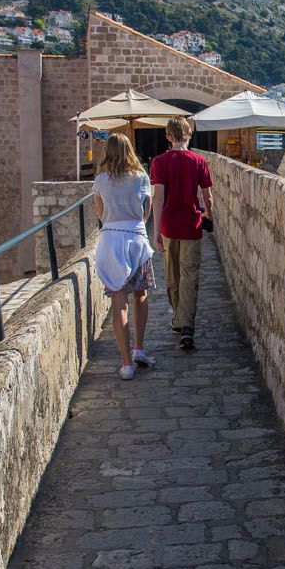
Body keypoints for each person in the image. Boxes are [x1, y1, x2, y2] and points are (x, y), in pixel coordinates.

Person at [92, 133, 156, 380]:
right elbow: (146, 211)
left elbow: (99, 213)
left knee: (119, 302)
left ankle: (126, 364)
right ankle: (139, 347)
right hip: (136, 238)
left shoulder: (101, 180)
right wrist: (137, 224)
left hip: (111, 241)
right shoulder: (141, 177)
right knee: (141, 294)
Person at [151, 116, 213, 351]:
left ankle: (179, 320)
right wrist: (208, 215)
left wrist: (156, 231)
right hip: (191, 226)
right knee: (190, 275)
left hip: (168, 226)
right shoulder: (199, 161)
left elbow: (158, 197)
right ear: (189, 135)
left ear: (168, 136)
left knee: (172, 276)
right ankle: (186, 325)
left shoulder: (159, 162)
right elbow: (207, 197)